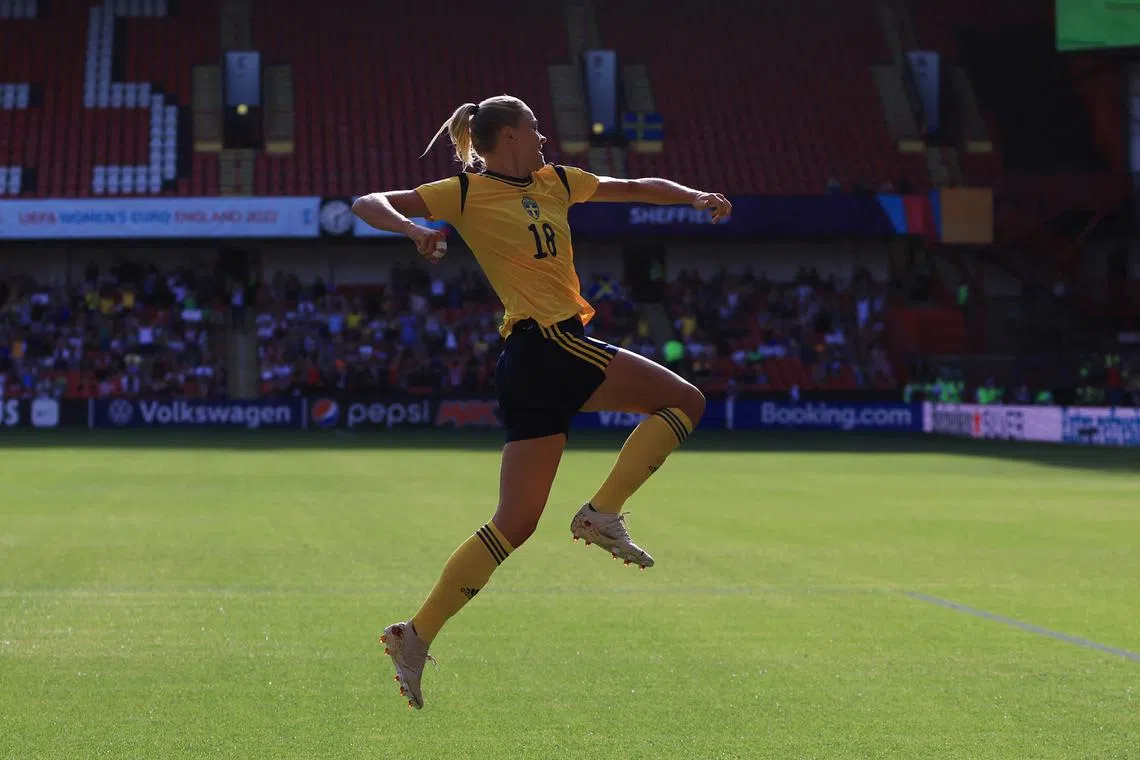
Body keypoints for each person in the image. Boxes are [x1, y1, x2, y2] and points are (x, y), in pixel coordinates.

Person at [351, 95, 731, 709]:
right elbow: (368, 202)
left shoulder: (556, 181)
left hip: (529, 363)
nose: (544, 137)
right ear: (503, 137)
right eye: (533, 128)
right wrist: (415, 228)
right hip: (550, 342)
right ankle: (601, 513)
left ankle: (415, 635)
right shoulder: (466, 191)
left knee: (514, 524)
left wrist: (691, 197)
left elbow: (633, 185)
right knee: (684, 401)